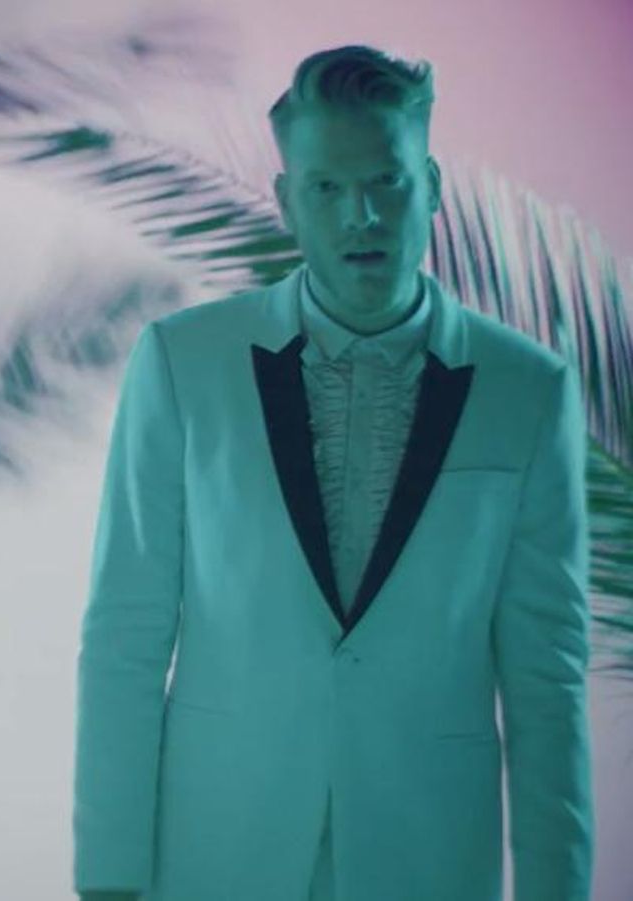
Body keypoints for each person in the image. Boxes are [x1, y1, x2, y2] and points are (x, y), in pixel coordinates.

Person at [73, 45, 592, 901]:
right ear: (286, 201)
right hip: (217, 855)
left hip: (427, 862)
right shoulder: (181, 362)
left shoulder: (529, 391)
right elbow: (125, 636)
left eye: (388, 181)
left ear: (432, 185)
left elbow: (548, 679)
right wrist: (109, 880)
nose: (363, 214)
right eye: (327, 188)